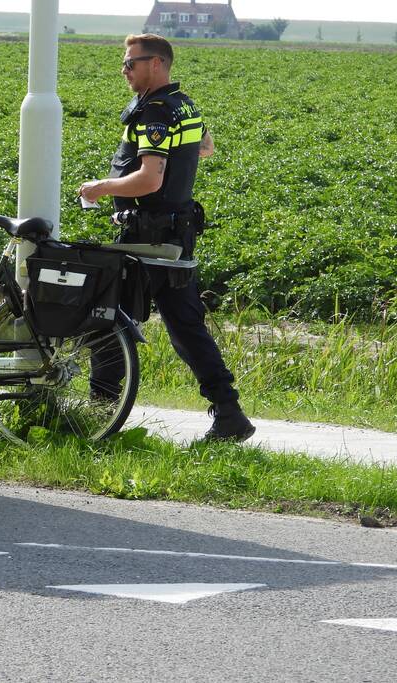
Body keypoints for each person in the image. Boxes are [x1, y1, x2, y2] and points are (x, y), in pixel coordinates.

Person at [78, 33, 255, 443]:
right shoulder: (184, 104)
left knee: (106, 319)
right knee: (185, 327)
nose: (124, 70)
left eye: (130, 63)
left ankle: (100, 414)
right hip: (174, 232)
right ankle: (229, 413)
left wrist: (99, 188)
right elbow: (206, 146)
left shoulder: (155, 112)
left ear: (155, 63)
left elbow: (149, 178)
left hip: (148, 238)